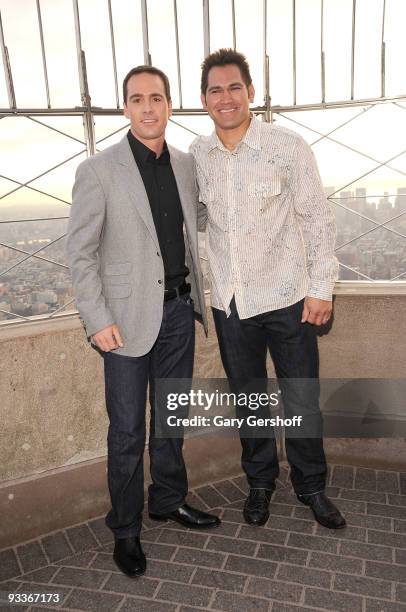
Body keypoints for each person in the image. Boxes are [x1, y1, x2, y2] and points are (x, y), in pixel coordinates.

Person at [67, 65, 220, 579]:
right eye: (137, 99)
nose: (148, 107)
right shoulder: (98, 170)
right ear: (126, 108)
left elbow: (195, 223)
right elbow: (81, 255)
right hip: (123, 323)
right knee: (128, 431)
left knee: (171, 418)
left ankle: (169, 500)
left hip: (178, 311)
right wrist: (97, 319)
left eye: (157, 97)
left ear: (171, 105)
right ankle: (126, 528)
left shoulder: (184, 164)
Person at [190, 49, 345, 530]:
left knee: (301, 398)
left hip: (289, 297)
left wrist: (321, 288)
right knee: (249, 402)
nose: (226, 97)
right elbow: (193, 222)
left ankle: (312, 486)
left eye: (234, 87)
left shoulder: (287, 146)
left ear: (251, 92)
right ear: (204, 100)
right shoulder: (197, 156)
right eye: (215, 90)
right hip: (231, 305)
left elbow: (315, 217)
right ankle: (260, 483)